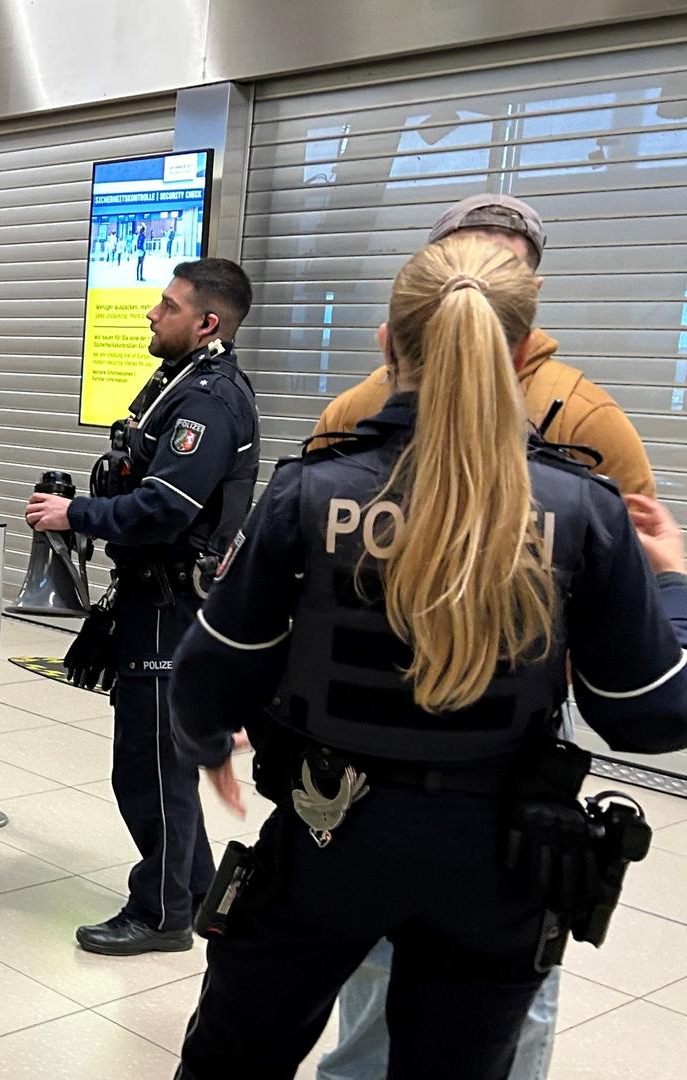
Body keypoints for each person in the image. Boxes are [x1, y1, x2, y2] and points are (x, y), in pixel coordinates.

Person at [168, 235, 687, 1080]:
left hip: (326, 835)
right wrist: (673, 583)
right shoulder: (583, 509)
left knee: (233, 1060)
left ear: (387, 343)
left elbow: (211, 669)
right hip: (497, 861)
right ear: (523, 350)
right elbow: (652, 713)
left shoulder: (312, 491)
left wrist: (205, 742)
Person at [312, 194, 658, 1080]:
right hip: (369, 711)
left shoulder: (584, 417)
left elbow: (625, 580)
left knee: (509, 976)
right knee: (373, 961)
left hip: (514, 729)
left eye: (505, 264)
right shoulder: (358, 404)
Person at [25, 258, 260, 957]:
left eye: (168, 305)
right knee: (160, 763)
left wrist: (76, 514)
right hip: (149, 597)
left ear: (207, 322)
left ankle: (160, 915)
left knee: (148, 768)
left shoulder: (210, 402)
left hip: (169, 604)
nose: (152, 314)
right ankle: (191, 892)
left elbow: (165, 507)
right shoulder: (180, 382)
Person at [313, 193, 652, 496]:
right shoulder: (354, 410)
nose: (476, 289)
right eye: (458, 266)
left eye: (502, 274)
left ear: (532, 293)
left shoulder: (585, 420)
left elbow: (632, 535)